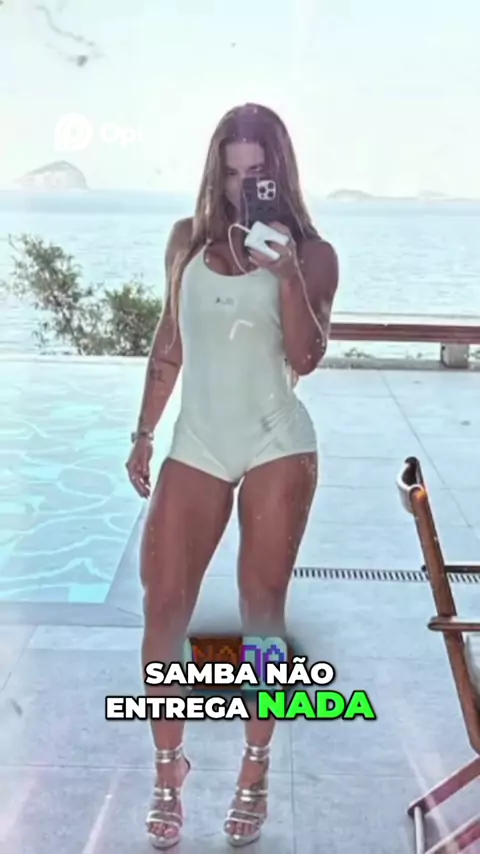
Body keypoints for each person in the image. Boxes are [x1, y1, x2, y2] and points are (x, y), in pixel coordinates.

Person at [125, 102, 339, 849]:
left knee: (260, 612)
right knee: (163, 605)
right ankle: (168, 765)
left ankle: (255, 766)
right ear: (216, 172)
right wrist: (144, 432)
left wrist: (286, 273)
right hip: (199, 440)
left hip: (278, 439)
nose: (245, 185)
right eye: (233, 171)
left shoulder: (313, 254)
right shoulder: (185, 242)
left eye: (259, 171)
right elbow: (170, 341)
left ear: (280, 173)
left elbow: (307, 357)